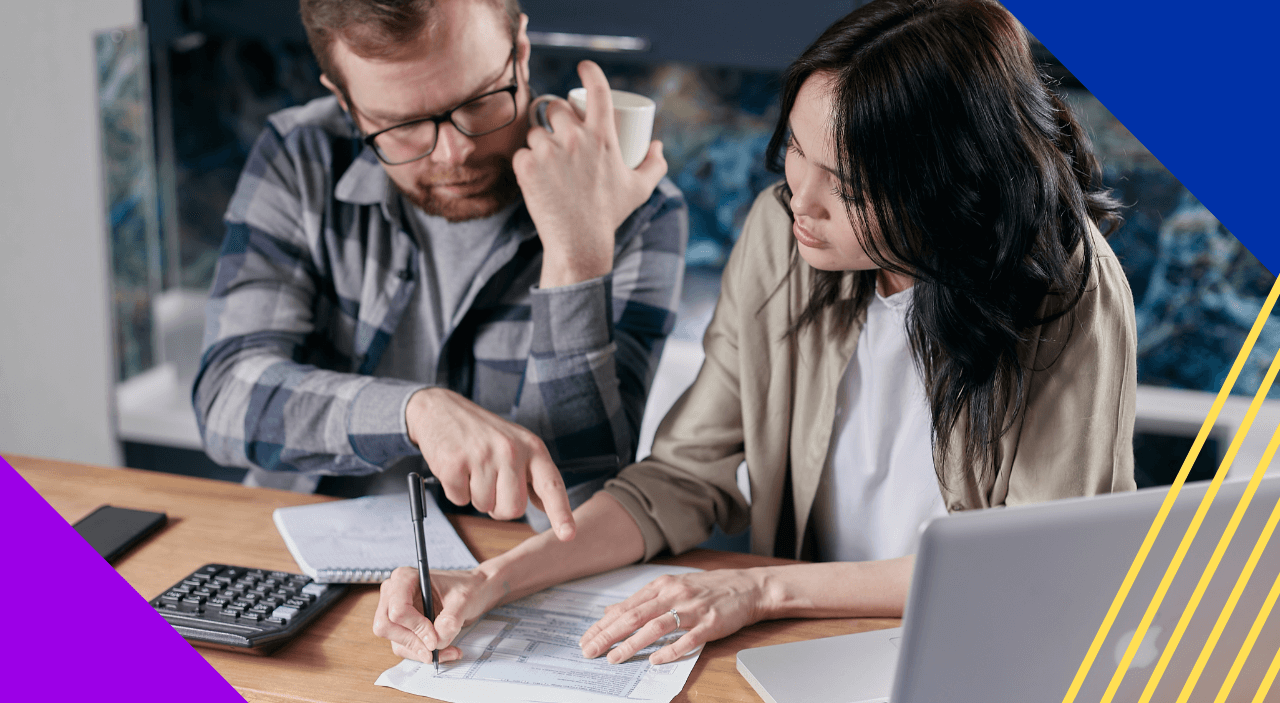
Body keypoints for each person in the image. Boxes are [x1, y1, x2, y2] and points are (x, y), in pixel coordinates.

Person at [373, 0, 1138, 667]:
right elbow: (680, 478)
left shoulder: (1067, 287)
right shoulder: (782, 236)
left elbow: (1032, 568)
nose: (798, 199)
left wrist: (760, 587)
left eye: (847, 186)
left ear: (949, 186)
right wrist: (494, 580)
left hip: (975, 651)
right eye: (797, 152)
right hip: (802, 644)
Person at [193, 0, 688, 537]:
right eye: (400, 125)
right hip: (301, 549)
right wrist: (414, 413)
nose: (454, 153)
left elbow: (579, 507)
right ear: (345, 102)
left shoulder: (637, 206)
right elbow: (225, 399)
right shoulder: (300, 155)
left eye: (478, 102)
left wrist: (576, 257)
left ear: (519, 53)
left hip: (505, 573)